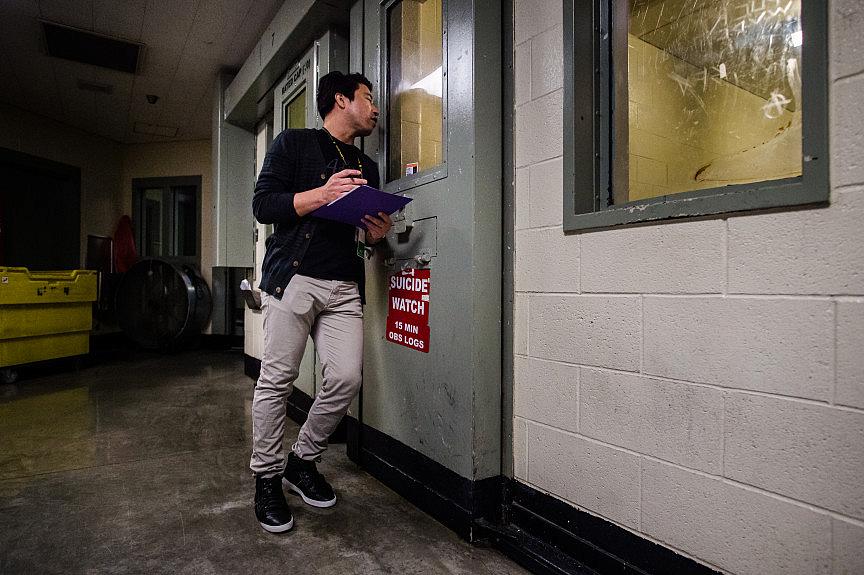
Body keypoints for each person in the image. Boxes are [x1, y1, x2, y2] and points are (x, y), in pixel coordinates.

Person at [250, 71, 392, 533]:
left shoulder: (366, 167)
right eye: (368, 99)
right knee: (277, 380)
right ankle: (267, 478)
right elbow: (264, 205)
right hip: (294, 279)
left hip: (343, 285)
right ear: (341, 99)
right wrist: (321, 194)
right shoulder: (293, 144)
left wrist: (374, 235)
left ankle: (302, 459)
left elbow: (361, 234)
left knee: (347, 377)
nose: (374, 109)